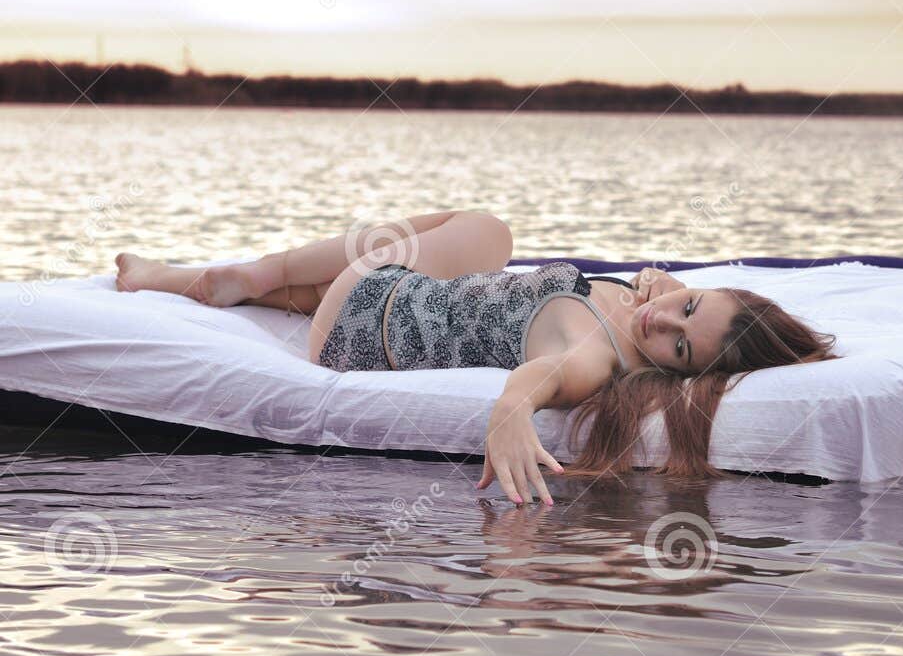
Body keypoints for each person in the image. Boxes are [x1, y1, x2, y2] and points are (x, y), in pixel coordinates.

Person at [115, 208, 836, 505]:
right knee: (474, 257)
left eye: (675, 348)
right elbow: (674, 311)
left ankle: (263, 271)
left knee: (484, 227)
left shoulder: (589, 355)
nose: (658, 321)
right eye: (685, 308)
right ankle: (181, 282)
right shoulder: (647, 307)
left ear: (678, 373)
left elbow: (539, 377)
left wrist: (508, 416)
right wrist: (670, 295)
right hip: (363, 316)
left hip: (367, 308)